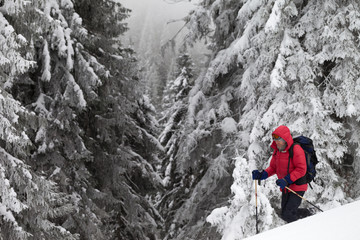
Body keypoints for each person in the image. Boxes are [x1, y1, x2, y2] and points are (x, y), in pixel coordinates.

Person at [252, 125, 310, 222]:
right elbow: (273, 168)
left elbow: (301, 169)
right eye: (275, 139)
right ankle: (308, 214)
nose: (277, 142)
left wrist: (286, 180)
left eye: (280, 139)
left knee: (288, 214)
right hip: (286, 187)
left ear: (286, 139)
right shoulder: (277, 151)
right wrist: (262, 175)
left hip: (298, 185)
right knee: (285, 214)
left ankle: (299, 231)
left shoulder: (296, 149)